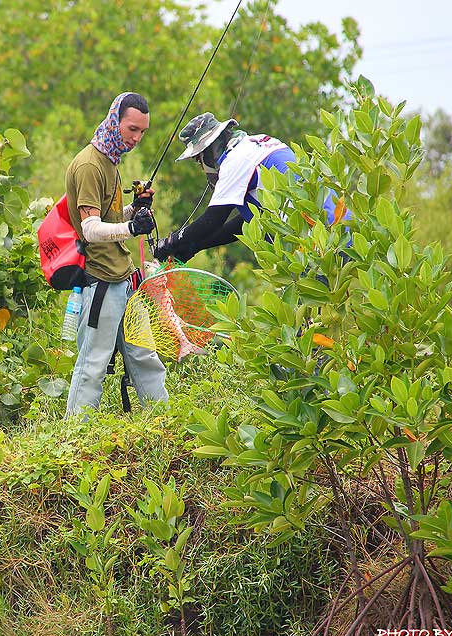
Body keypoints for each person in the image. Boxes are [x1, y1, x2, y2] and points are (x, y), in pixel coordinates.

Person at [63, 92, 169, 417]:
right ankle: (73, 440)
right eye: (132, 129)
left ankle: (167, 424)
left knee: (144, 356)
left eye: (142, 132)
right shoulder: (89, 165)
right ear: (115, 121)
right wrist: (132, 229)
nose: (136, 138)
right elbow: (92, 229)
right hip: (101, 283)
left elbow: (110, 219)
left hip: (125, 280)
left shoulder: (111, 161)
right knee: (93, 364)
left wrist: (134, 211)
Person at [153, 112, 347, 263]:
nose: (201, 166)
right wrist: (195, 245)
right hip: (341, 232)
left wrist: (172, 242)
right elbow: (246, 224)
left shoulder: (235, 160)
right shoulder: (257, 143)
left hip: (318, 247)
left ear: (208, 150)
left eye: (198, 160)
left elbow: (213, 220)